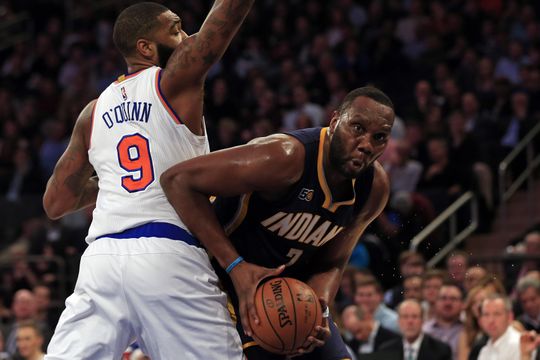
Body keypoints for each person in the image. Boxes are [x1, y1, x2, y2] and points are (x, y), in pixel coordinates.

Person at [41, 1, 256, 359]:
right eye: (175, 29)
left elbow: (56, 203)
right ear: (145, 47)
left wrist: (111, 178)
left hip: (101, 262)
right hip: (167, 253)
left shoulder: (92, 112)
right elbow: (228, 16)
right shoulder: (174, 80)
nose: (186, 36)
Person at [161, 86, 395, 358]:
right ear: (334, 122)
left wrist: (318, 309)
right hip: (225, 275)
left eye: (379, 137)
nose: (366, 144)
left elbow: (333, 261)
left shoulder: (374, 188)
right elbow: (177, 181)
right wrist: (237, 267)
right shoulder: (285, 156)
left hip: (290, 290)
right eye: (357, 128)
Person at [378, 299, 452, 360]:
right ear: (398, 321)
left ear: (423, 320)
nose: (410, 321)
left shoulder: (440, 351)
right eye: (405, 317)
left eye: (415, 317)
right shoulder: (386, 350)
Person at [477, 294, 521, 360]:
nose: (490, 320)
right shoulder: (484, 350)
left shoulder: (518, 344)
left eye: (497, 314)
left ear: (509, 317)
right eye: (486, 315)